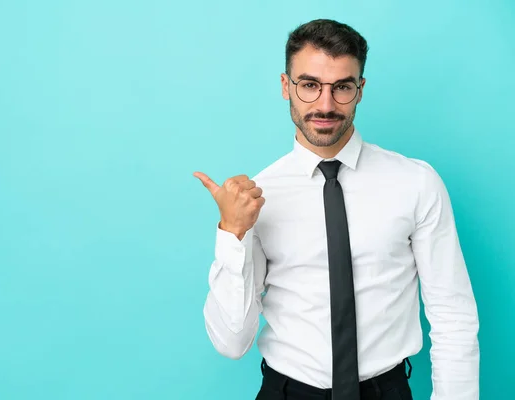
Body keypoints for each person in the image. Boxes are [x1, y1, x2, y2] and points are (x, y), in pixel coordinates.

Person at [194, 18, 479, 400]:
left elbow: (453, 316)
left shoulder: (416, 183)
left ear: (360, 90)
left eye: (342, 87)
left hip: (386, 391)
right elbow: (231, 342)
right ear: (286, 87)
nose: (325, 105)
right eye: (310, 85)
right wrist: (232, 233)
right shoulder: (259, 197)